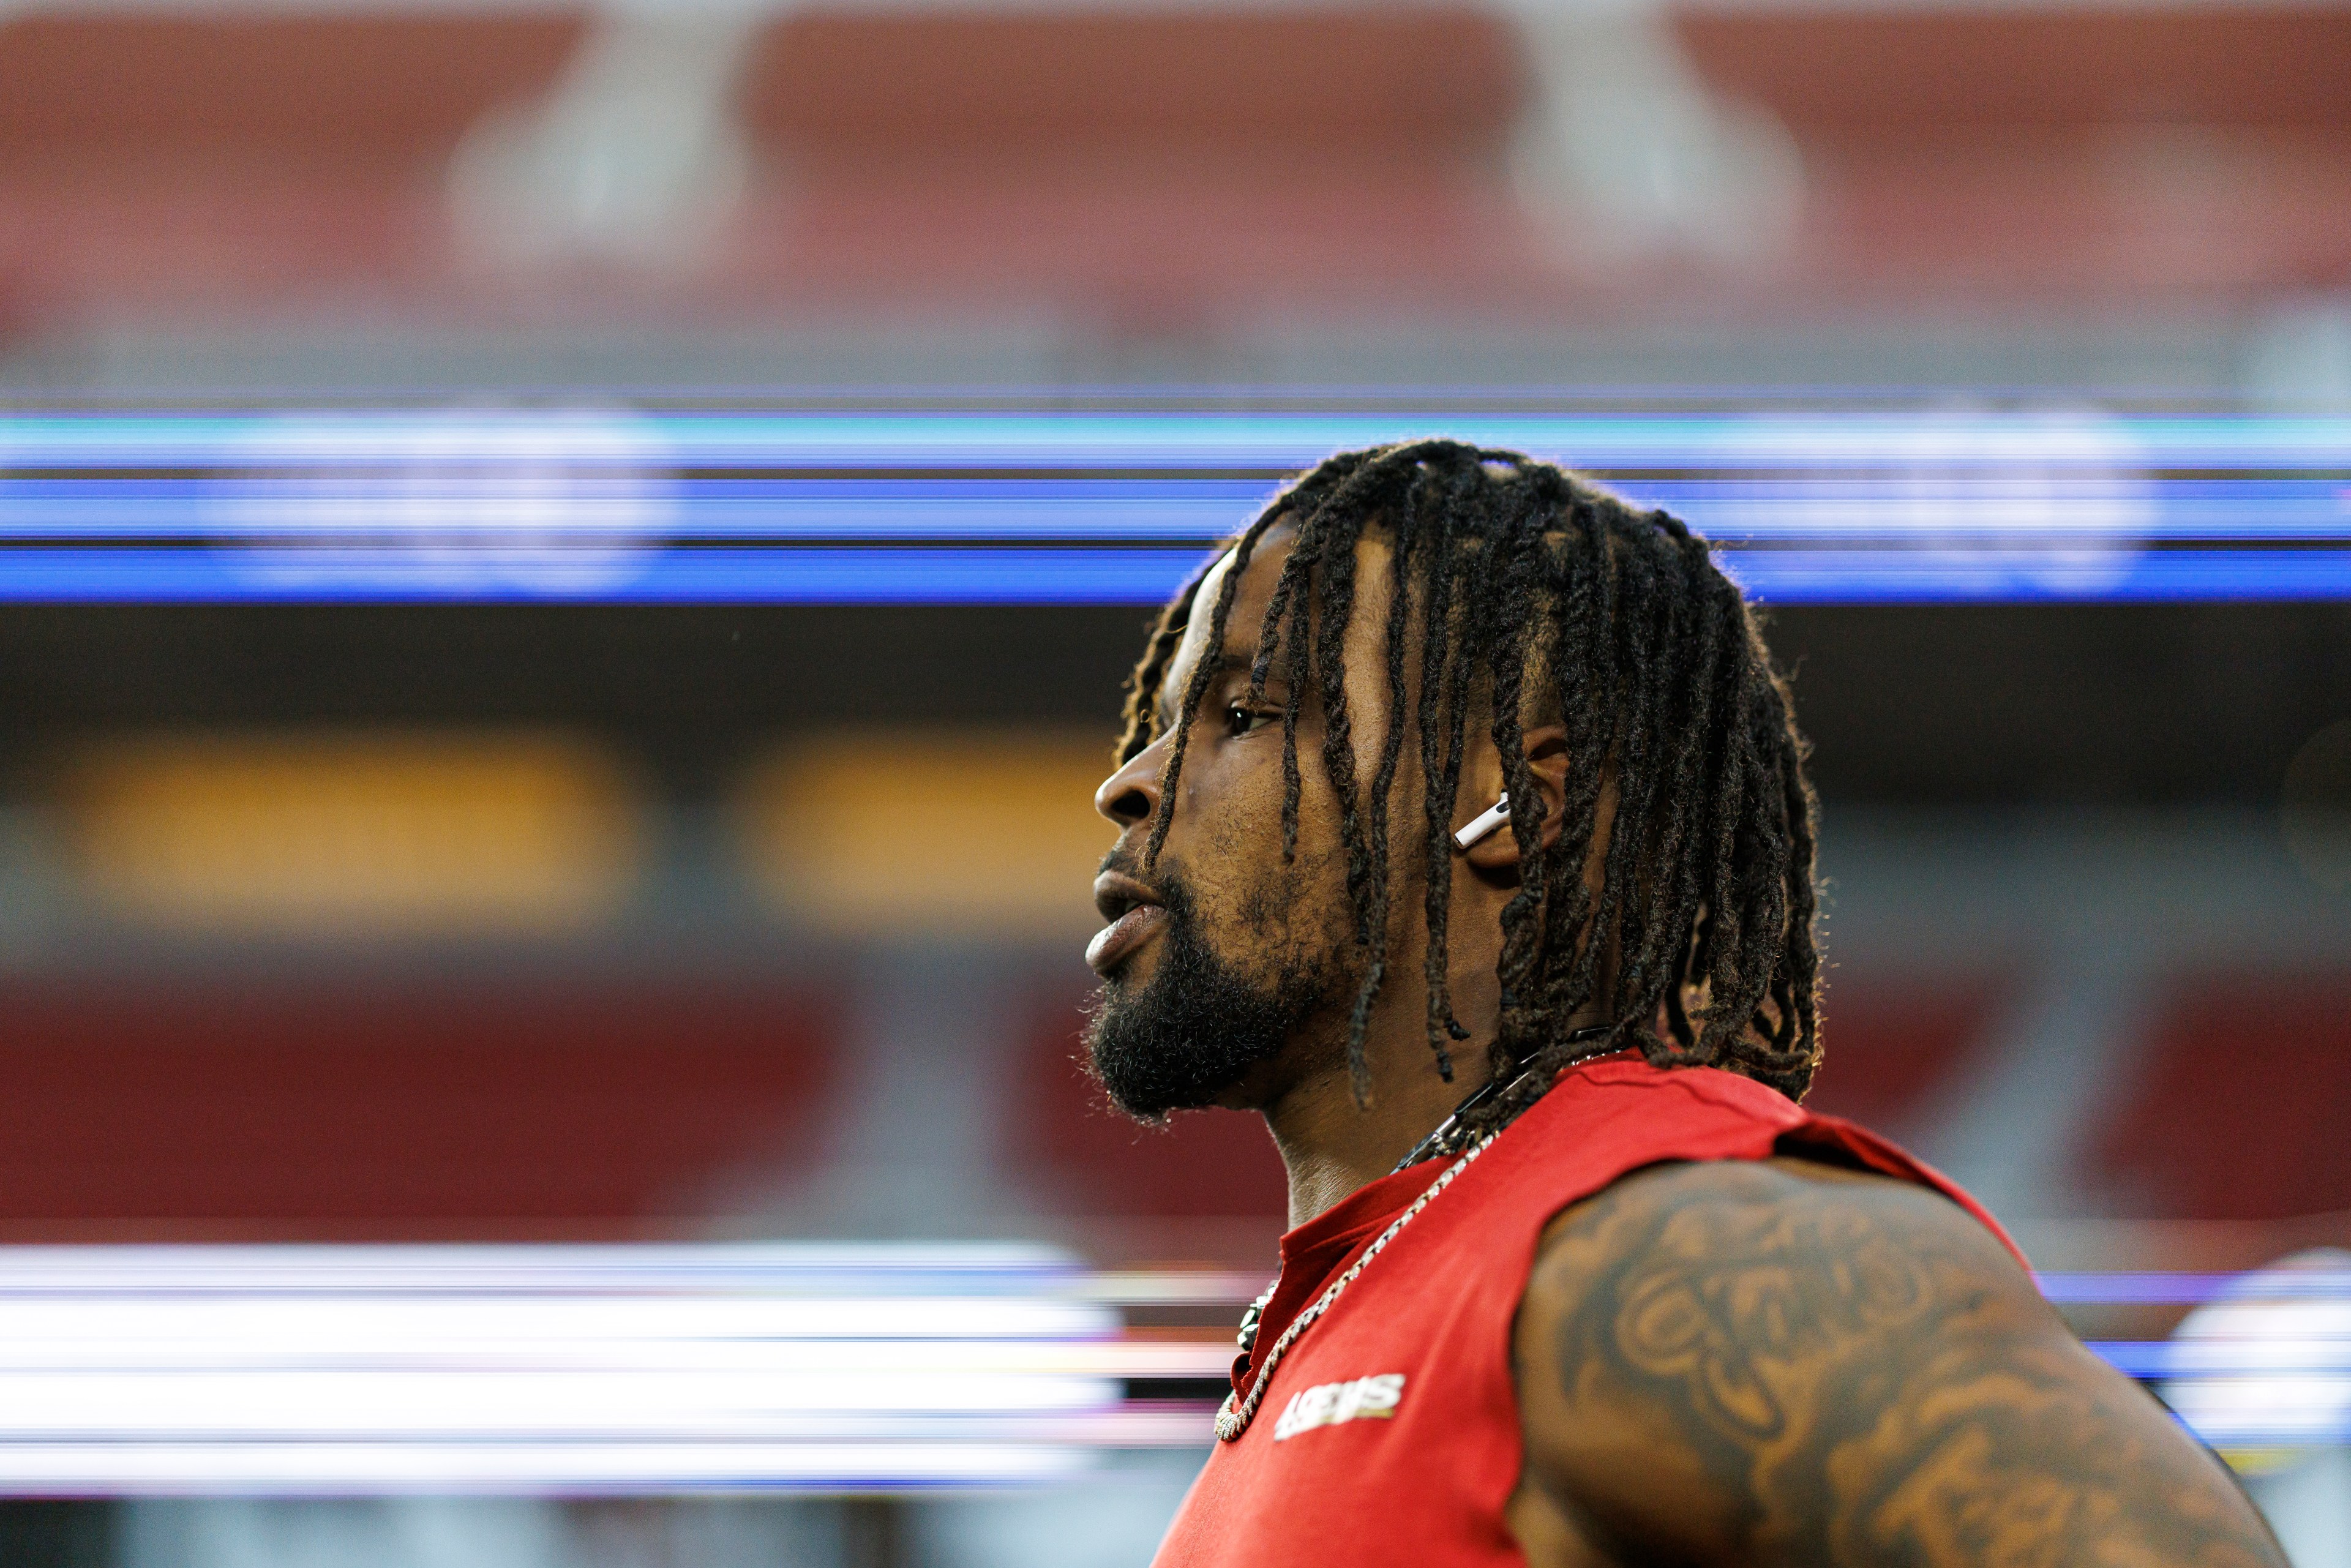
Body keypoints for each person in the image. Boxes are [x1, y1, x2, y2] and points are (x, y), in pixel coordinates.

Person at [1082, 441, 2284, 1568]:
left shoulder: (1664, 1251)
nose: (1129, 785)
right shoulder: (1352, 1300)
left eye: (1245, 714)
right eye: (1157, 723)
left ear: (1520, 807)